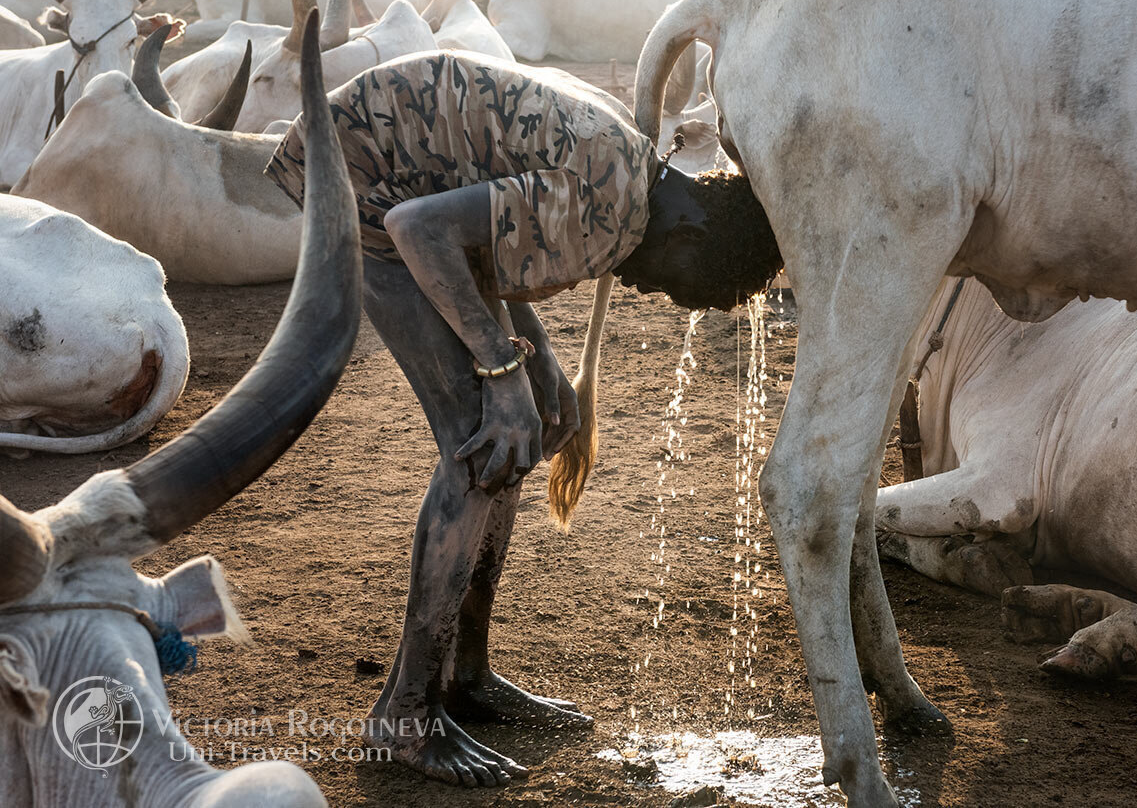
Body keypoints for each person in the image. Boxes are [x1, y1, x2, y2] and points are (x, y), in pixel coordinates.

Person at [264, 50, 782, 787]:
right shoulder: (611, 210)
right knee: (479, 445)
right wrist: (504, 374)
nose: (653, 292)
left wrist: (536, 365)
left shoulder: (634, 176)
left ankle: (468, 675)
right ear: (692, 235)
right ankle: (404, 716)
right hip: (367, 187)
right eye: (679, 288)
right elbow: (420, 228)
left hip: (397, 172)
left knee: (522, 422)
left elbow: (482, 224)